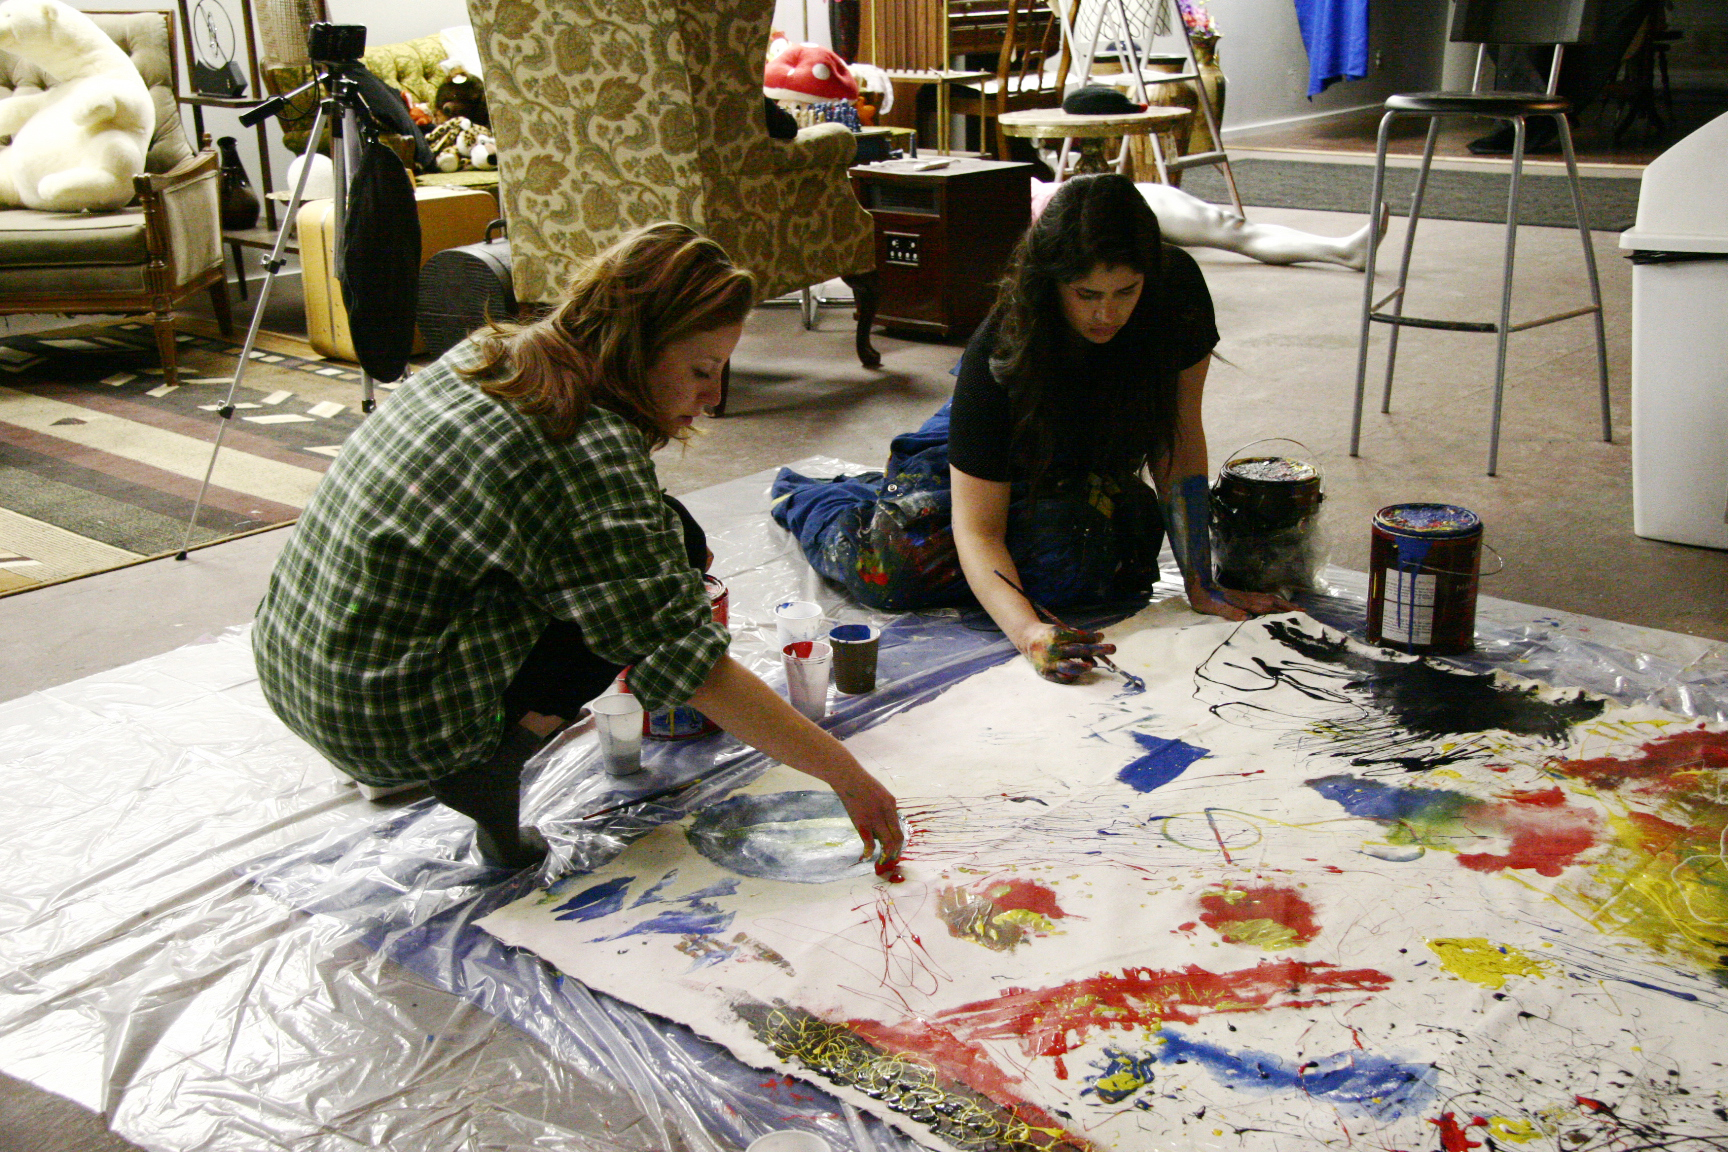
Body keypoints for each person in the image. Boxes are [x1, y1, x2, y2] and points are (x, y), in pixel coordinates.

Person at [252, 223, 902, 870]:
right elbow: (693, 670)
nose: (714, 396)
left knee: (669, 534)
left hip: (297, 662)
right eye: (703, 370)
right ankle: (484, 769)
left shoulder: (497, 351)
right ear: (636, 346)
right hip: (384, 719)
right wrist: (847, 774)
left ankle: (458, 738)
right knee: (642, 598)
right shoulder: (586, 444)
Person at [772, 174, 1292, 684]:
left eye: (1125, 291)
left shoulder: (1176, 291)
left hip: (1079, 451)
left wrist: (1201, 581)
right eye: (1086, 293)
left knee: (1095, 558)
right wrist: (1028, 634)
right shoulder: (1003, 347)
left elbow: (1176, 437)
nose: (1106, 313)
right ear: (1053, 280)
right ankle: (817, 498)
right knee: (896, 569)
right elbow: (979, 530)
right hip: (990, 446)